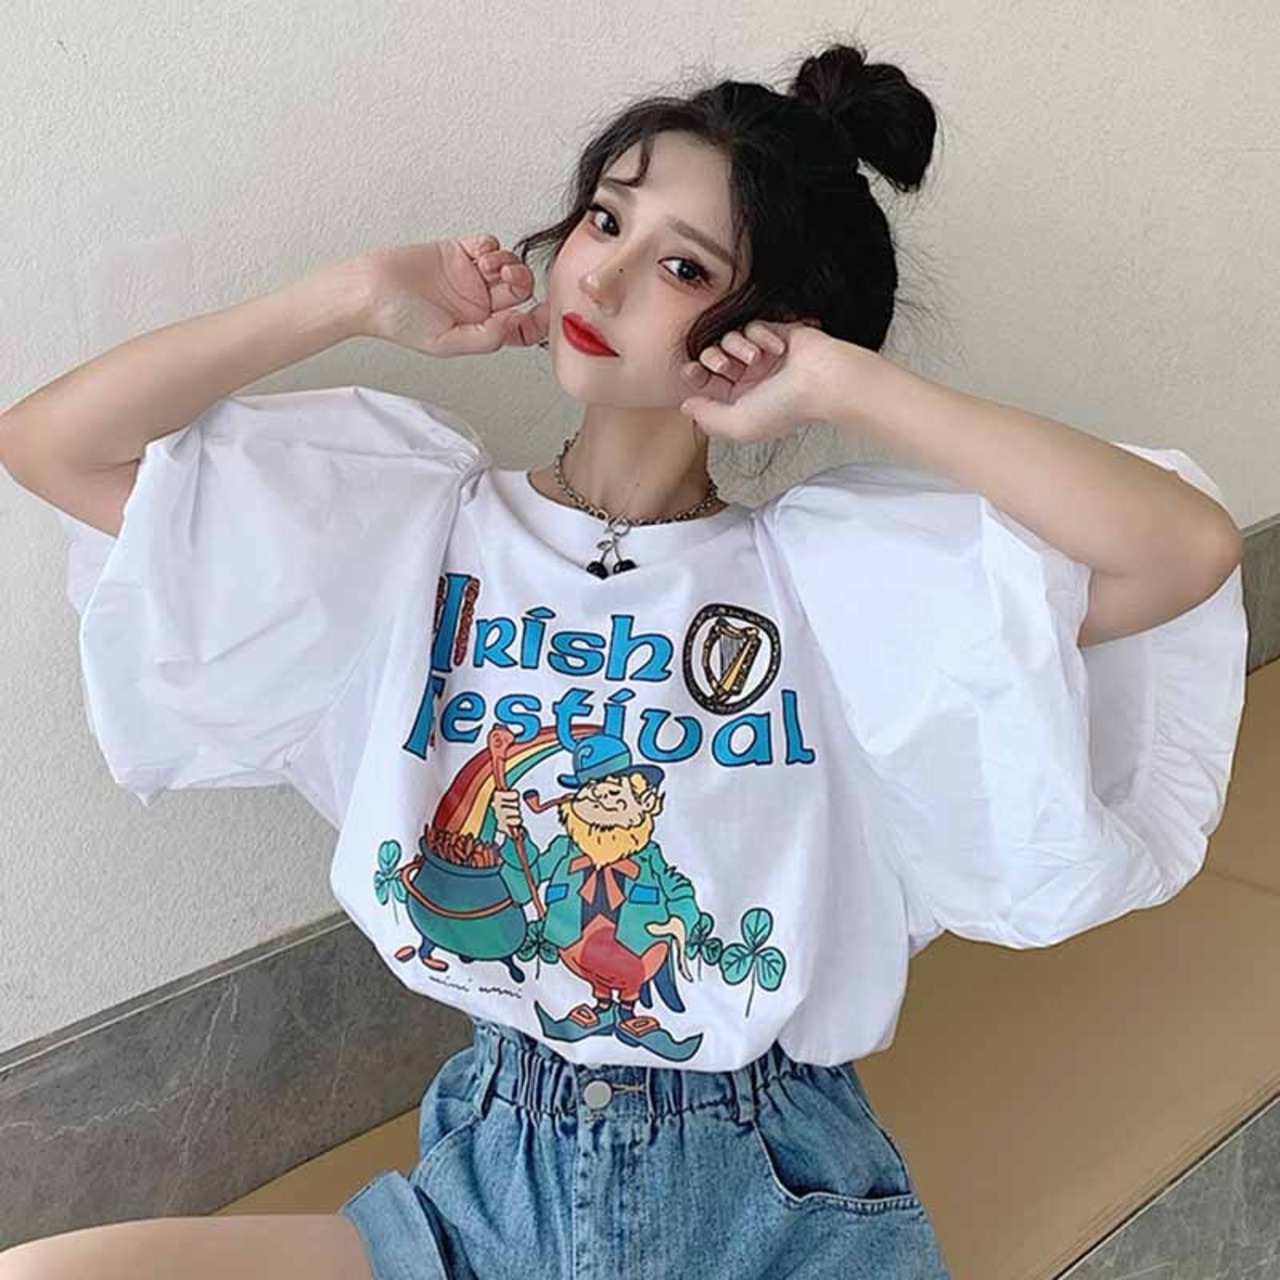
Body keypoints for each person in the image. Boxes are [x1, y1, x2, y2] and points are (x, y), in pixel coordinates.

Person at [0, 39, 1247, 1280]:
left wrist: (842, 385)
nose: (598, 274)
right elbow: (54, 445)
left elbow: (1180, 549)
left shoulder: (825, 583)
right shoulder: (414, 531)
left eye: (682, 264)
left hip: (771, 1197)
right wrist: (351, 296)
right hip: (490, 1181)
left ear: (765, 330)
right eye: (604, 218)